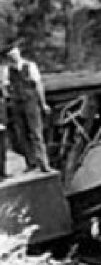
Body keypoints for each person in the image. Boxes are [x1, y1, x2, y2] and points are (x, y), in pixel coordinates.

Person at [1, 40, 51, 172]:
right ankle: (31, 162)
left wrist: (43, 103)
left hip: (30, 101)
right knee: (22, 134)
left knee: (36, 133)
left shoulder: (30, 66)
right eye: (10, 54)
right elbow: (5, 86)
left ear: (18, 53)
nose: (13, 55)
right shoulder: (8, 70)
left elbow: (38, 85)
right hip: (17, 103)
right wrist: (9, 99)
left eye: (15, 52)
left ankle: (43, 163)